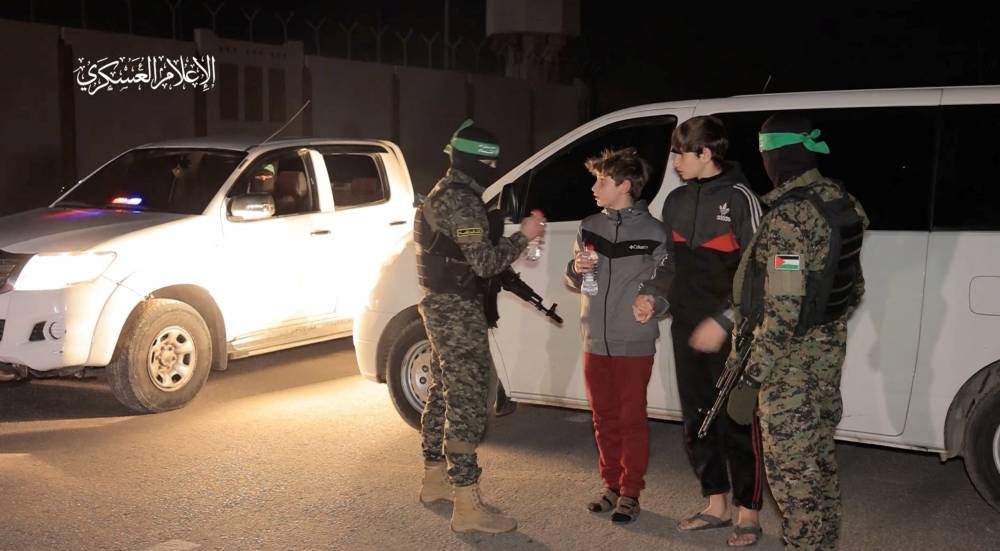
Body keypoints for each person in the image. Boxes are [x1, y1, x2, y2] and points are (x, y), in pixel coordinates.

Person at [727, 112, 867, 550]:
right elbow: (853, 289)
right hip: (826, 359)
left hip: (790, 370)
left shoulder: (790, 218)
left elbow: (783, 312)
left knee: (794, 481)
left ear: (778, 155)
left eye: (765, 154)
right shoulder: (842, 203)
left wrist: (752, 375)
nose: (764, 163)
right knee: (821, 469)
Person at [633, 116, 766, 547]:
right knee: (697, 417)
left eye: (680, 153)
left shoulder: (742, 197)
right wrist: (655, 297)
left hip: (731, 329)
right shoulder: (674, 201)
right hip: (687, 325)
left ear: (705, 153)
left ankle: (748, 513)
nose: (673, 161)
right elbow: (670, 266)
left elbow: (762, 274)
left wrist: (726, 319)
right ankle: (716, 504)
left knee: (736, 420)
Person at [414, 119, 545, 534]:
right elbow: (485, 262)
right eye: (489, 163)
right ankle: (467, 501)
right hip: (456, 312)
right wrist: (523, 236)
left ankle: (434, 479)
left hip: (440, 307)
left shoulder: (443, 192)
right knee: (469, 399)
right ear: (475, 161)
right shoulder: (462, 201)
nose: (493, 169)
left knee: (441, 389)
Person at [566, 147, 668, 525]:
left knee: (631, 418)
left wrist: (653, 302)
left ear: (624, 185)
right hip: (594, 338)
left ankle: (630, 492)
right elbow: (574, 277)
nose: (595, 187)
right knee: (603, 416)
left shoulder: (654, 232)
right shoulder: (589, 224)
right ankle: (610, 485)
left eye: (602, 181)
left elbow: (667, 282)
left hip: (633, 341)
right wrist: (576, 268)